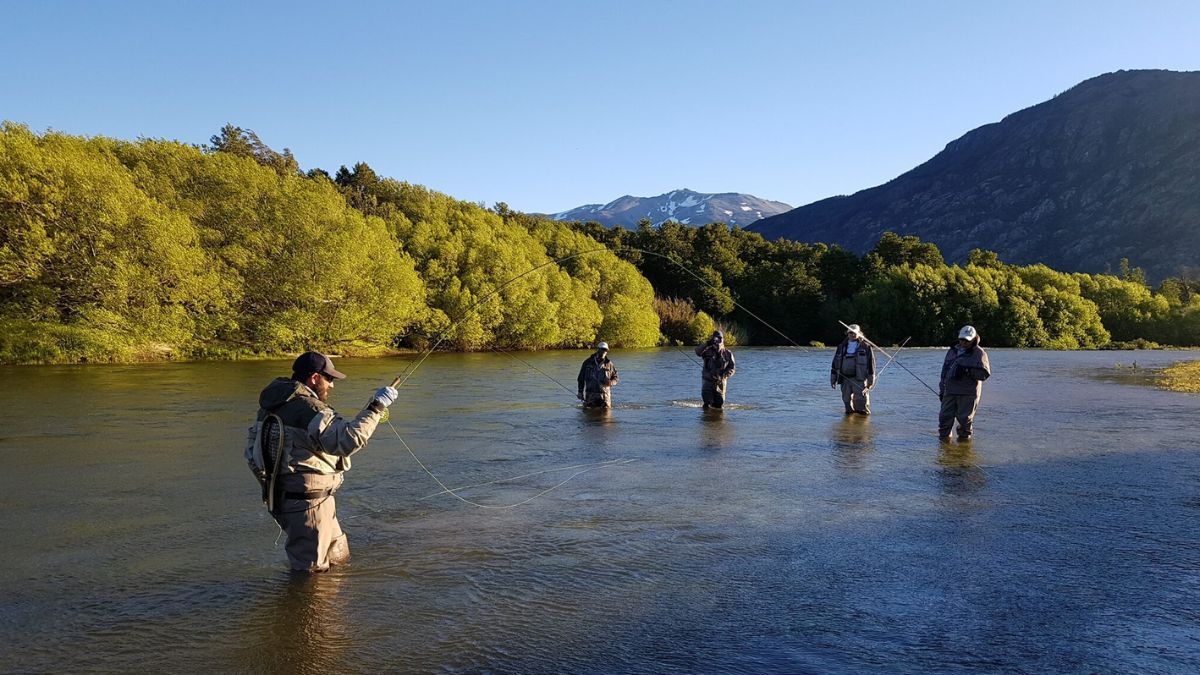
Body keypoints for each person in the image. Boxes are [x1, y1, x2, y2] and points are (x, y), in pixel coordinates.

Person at [245, 351, 397, 572]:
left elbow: (251, 452)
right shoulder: (308, 408)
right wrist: (376, 407)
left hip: (299, 499)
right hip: (307, 504)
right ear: (315, 378)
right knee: (312, 574)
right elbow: (347, 440)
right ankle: (307, 606)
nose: (332, 386)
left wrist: (269, 489)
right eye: (330, 379)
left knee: (338, 554)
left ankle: (338, 604)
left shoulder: (273, 405)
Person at [939, 325, 991, 441]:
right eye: (962, 339)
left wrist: (967, 371)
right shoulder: (952, 351)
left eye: (967, 340)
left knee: (964, 422)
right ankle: (944, 446)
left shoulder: (980, 353)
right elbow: (944, 371)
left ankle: (964, 450)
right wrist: (942, 389)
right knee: (944, 418)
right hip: (950, 391)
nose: (963, 342)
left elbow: (984, 375)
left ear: (973, 339)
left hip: (968, 393)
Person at [830, 323, 876, 414]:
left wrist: (870, 382)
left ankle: (862, 426)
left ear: (859, 333)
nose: (852, 334)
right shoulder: (841, 346)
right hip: (844, 379)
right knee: (847, 404)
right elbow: (835, 364)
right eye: (850, 332)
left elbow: (871, 365)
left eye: (855, 332)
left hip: (859, 379)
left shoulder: (866, 347)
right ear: (847, 334)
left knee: (862, 406)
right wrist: (833, 379)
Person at [695, 329, 736, 409]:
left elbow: (732, 368)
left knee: (719, 405)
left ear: (723, 340)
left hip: (721, 383)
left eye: (720, 338)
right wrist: (707, 343)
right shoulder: (707, 351)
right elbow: (697, 352)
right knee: (707, 404)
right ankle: (707, 421)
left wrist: (724, 375)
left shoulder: (728, 353)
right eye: (716, 338)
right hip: (707, 382)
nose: (719, 340)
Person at [577, 341, 619, 408]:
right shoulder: (587, 362)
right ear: (598, 349)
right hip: (590, 395)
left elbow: (616, 378)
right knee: (589, 416)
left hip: (605, 396)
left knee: (606, 418)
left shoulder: (609, 364)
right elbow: (581, 378)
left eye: (605, 350)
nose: (604, 352)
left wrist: (611, 382)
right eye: (602, 349)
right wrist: (580, 392)